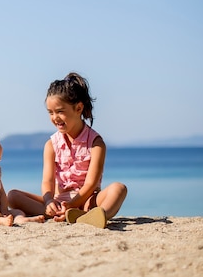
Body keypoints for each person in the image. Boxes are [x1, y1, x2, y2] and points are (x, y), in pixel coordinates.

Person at [8, 73, 128, 228]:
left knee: (119, 188)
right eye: (50, 112)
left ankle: (97, 215)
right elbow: (48, 181)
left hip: (87, 201)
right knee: (13, 196)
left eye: (60, 111)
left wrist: (72, 204)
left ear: (78, 108)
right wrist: (49, 201)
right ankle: (60, 214)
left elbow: (91, 184)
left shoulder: (96, 144)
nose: (55, 117)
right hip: (59, 202)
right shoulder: (51, 145)